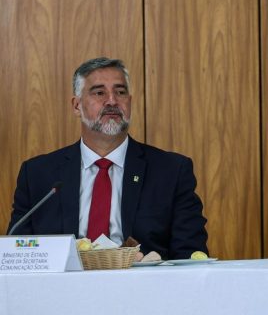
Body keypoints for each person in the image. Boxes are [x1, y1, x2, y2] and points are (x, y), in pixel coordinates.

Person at [7, 57, 208, 259]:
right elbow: (19, 255)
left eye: (120, 92)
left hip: (144, 287)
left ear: (129, 102)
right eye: (99, 92)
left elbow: (190, 255)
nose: (112, 101)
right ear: (77, 106)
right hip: (63, 288)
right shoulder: (37, 174)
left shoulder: (171, 171)